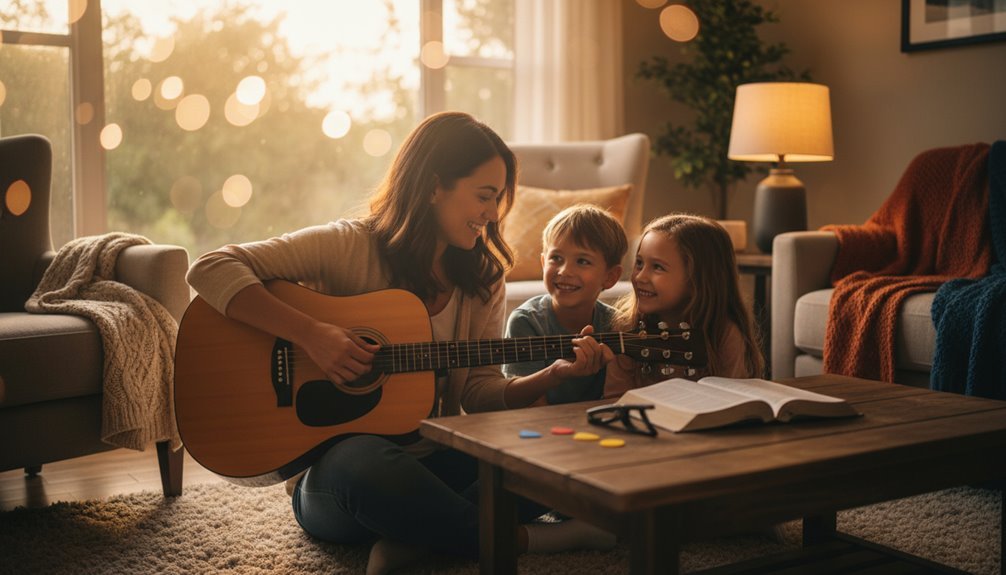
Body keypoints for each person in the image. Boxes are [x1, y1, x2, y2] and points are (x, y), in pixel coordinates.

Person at [186, 112, 616, 574]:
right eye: (484, 197)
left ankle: (415, 539)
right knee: (362, 459)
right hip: (342, 481)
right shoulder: (350, 246)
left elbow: (478, 393)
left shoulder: (483, 278)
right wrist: (312, 335)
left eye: (496, 201)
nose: (492, 215)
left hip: (436, 461)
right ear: (434, 186)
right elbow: (211, 267)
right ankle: (530, 539)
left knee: (542, 447)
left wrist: (552, 373)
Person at [604, 214, 764, 398]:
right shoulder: (627, 328)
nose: (640, 277)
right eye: (639, 263)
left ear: (697, 280)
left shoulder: (724, 334)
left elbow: (734, 401)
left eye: (657, 267)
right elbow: (614, 400)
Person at [503, 204, 628, 405]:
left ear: (610, 277)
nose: (564, 271)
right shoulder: (526, 321)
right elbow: (528, 405)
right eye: (556, 258)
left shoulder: (618, 325)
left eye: (582, 261)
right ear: (544, 263)